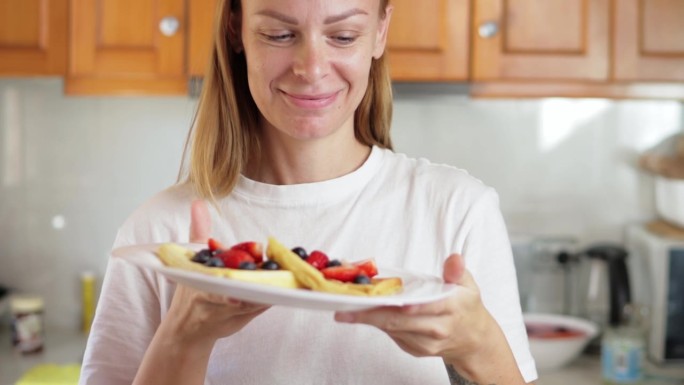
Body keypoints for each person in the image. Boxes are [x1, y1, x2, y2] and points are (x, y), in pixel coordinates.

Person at [79, 0, 538, 384]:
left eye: (342, 36)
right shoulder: (162, 232)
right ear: (238, 30)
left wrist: (481, 346)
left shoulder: (458, 211)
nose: (311, 68)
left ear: (380, 32)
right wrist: (183, 338)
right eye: (279, 34)